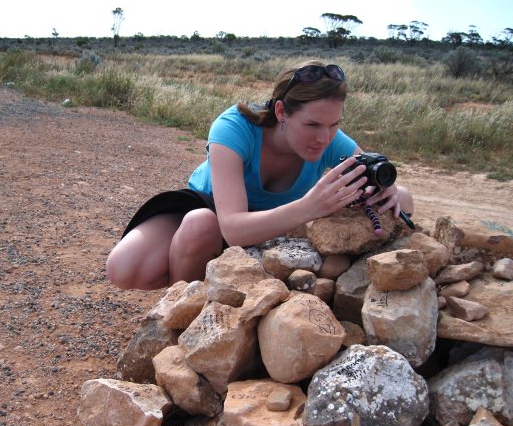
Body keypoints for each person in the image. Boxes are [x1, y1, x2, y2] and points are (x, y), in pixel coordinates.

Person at [106, 60, 414, 290]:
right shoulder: (233, 128)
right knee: (126, 266)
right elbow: (233, 229)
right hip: (210, 211)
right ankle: (182, 311)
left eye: (334, 125)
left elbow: (396, 191)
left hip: (268, 225)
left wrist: (388, 190)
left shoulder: (329, 139)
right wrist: (310, 207)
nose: (324, 137)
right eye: (312, 125)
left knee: (400, 198)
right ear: (281, 112)